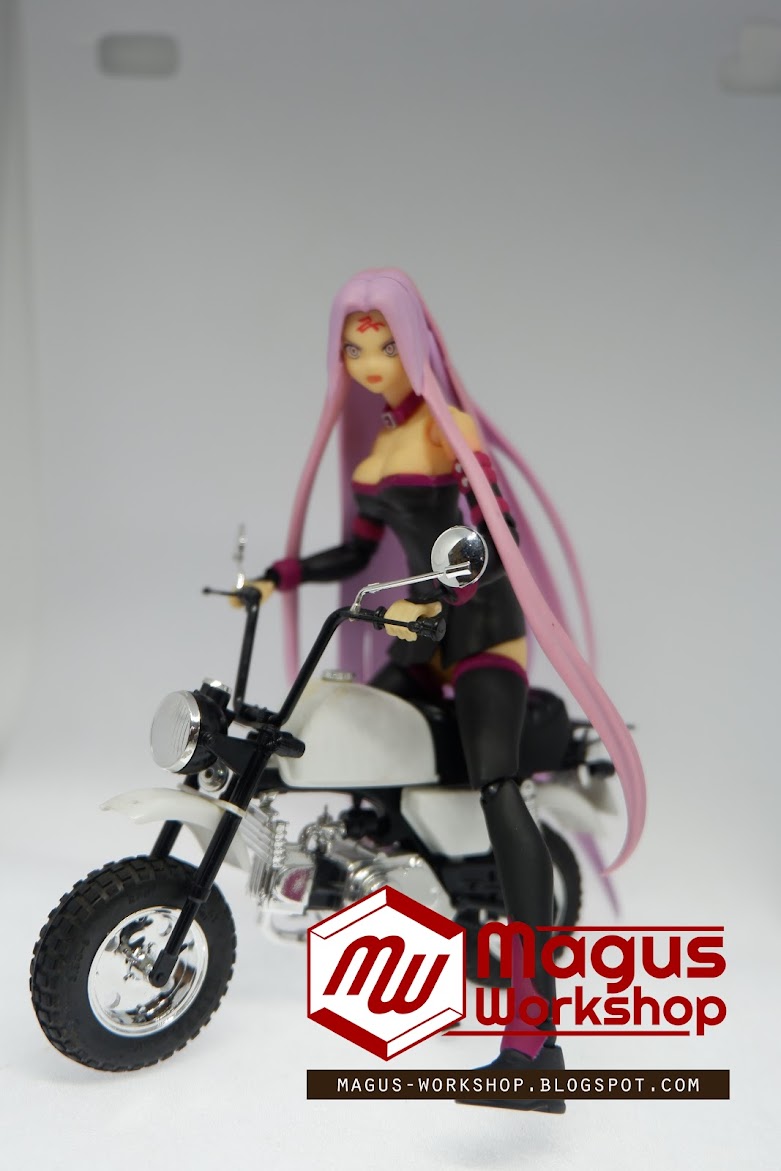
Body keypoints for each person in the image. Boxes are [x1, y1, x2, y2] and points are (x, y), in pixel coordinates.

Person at [246, 268, 645, 1111]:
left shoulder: (450, 431)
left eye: (385, 346)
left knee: (499, 786)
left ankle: (534, 1039)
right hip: (422, 634)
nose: (370, 363)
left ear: (417, 346)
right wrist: (277, 576)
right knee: (351, 744)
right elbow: (358, 553)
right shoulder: (374, 457)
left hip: (483, 630)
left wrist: (438, 594)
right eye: (355, 349)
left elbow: (496, 534)